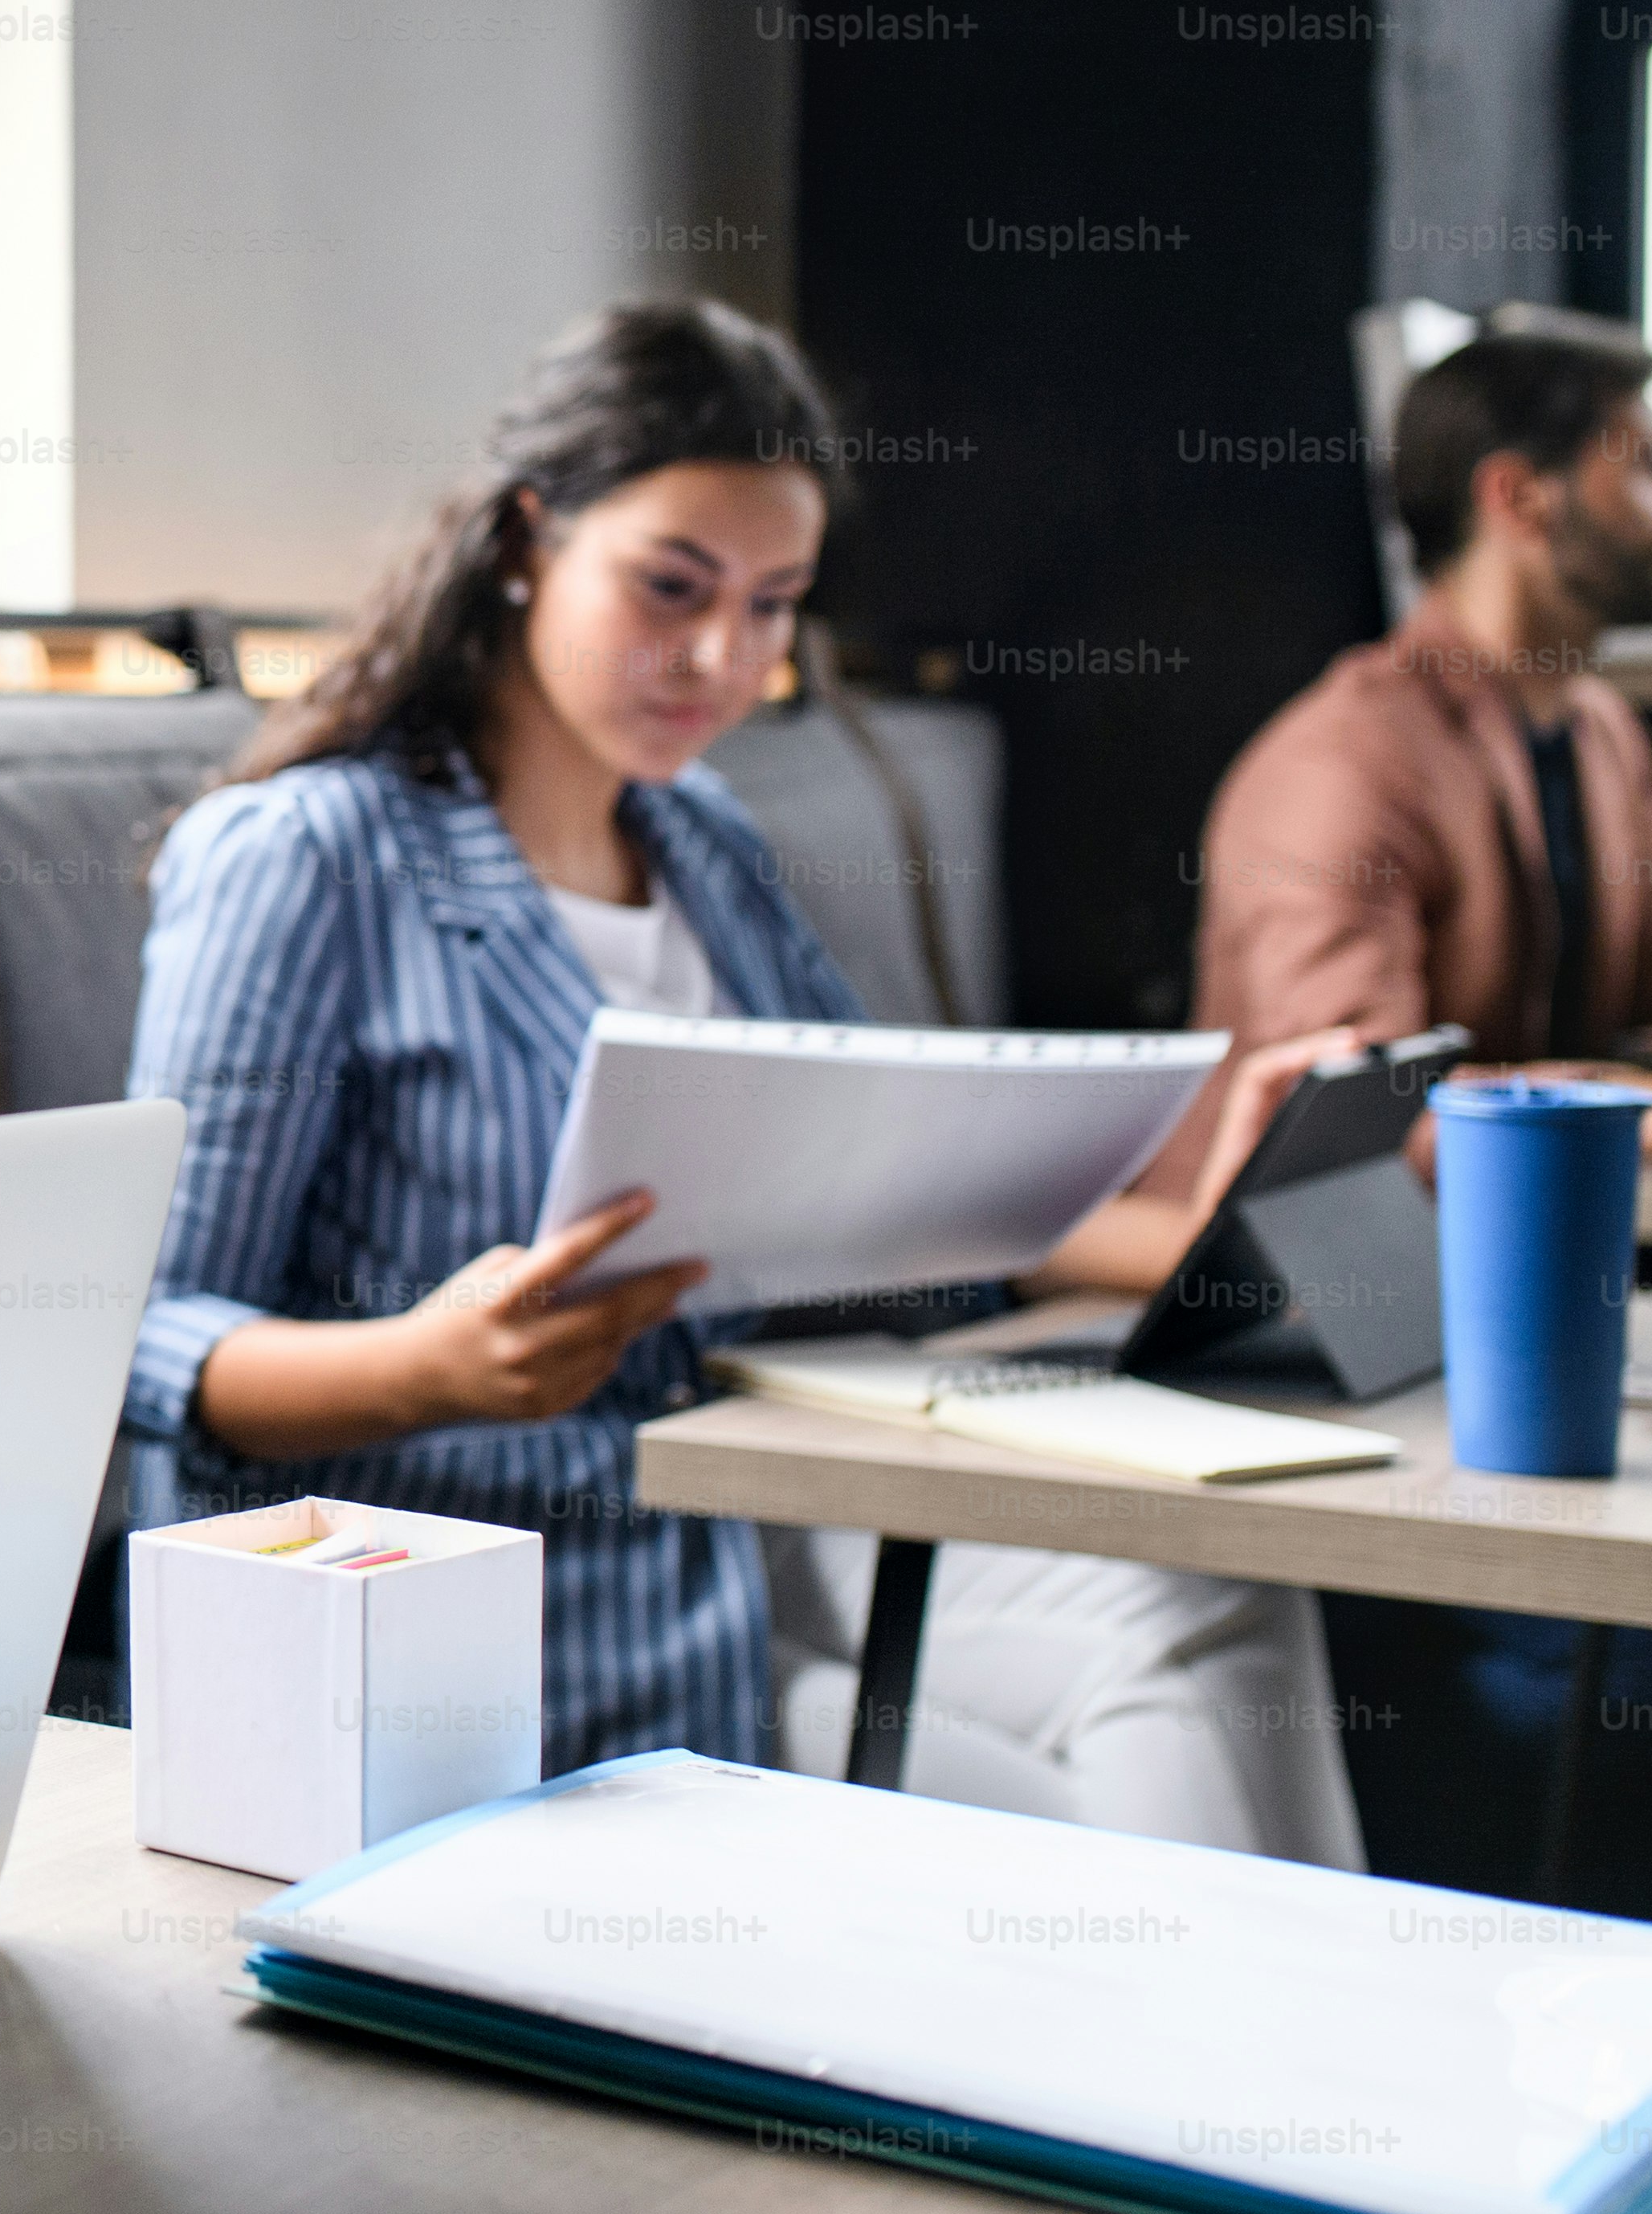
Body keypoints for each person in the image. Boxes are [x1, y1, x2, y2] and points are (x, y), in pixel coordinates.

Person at [123, 299, 1363, 1859]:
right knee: (1135, 1787)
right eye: (671, 587)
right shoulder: (309, 858)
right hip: (472, 1620)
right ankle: (1265, 2077)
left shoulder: (700, 842)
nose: (724, 657)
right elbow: (148, 1335)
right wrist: (425, 1369)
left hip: (724, 1549)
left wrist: (1226, 1221)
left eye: (773, 605)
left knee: (1202, 1602)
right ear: (525, 541)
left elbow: (904, 1179)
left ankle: (1277, 2081)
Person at [1156, 322, 1652, 1198]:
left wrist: (1645, 1085)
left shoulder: (1599, 730)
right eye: (1649, 468)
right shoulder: (1341, 761)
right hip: (1279, 1300)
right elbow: (1347, 1128)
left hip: (1513, 1235)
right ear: (1520, 497)